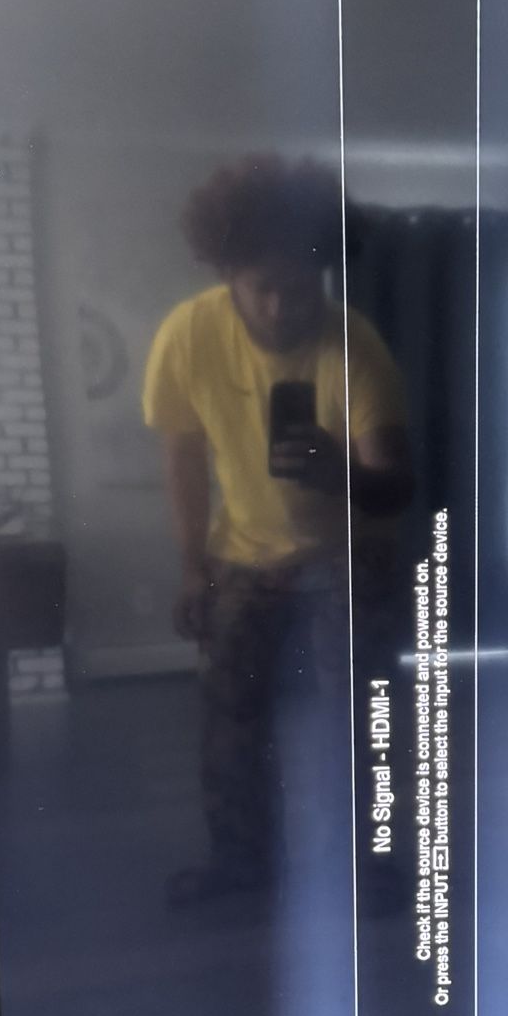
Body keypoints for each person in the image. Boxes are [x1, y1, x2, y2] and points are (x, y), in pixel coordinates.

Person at [143, 156, 413, 903]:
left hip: (349, 549)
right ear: (227, 273)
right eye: (264, 287)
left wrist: (340, 473)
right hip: (243, 552)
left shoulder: (356, 346)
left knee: (361, 716)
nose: (284, 306)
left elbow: (396, 488)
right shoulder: (188, 335)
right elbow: (183, 463)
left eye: (302, 286)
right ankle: (241, 864)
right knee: (229, 716)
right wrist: (193, 568)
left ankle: (366, 869)